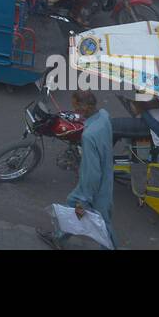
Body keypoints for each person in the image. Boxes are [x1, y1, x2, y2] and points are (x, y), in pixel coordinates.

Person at [40, 90, 116, 249]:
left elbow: (91, 173)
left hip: (95, 188)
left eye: (76, 108)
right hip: (106, 176)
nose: (74, 111)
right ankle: (59, 238)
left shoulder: (89, 136)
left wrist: (84, 200)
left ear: (86, 108)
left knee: (100, 221)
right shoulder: (104, 116)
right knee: (74, 210)